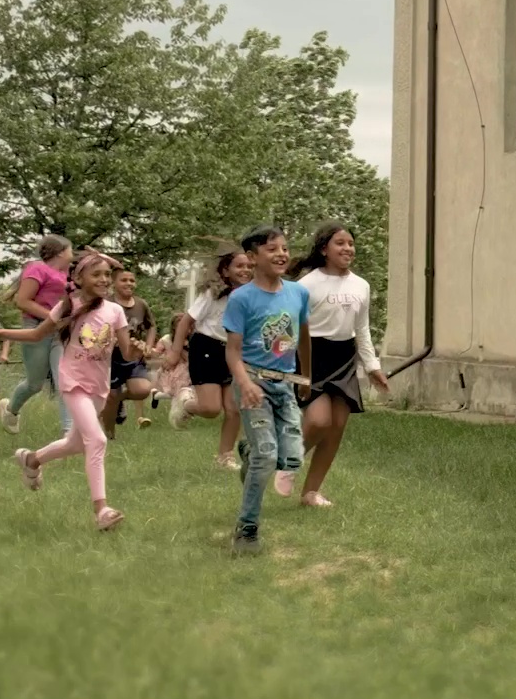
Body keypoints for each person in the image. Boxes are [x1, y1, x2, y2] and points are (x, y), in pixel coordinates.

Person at [0, 251, 140, 530]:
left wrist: (143, 348)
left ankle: (31, 459)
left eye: (106, 275)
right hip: (73, 383)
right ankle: (101, 510)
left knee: (75, 444)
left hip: (99, 387)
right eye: (96, 274)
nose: (103, 280)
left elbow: (127, 351)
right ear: (79, 278)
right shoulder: (67, 306)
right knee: (96, 440)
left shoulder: (115, 311)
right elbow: (36, 334)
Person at [290, 223, 392, 508]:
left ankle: (311, 493)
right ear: (324, 249)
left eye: (350, 243)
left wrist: (372, 367)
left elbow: (362, 329)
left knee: (336, 428)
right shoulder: (305, 285)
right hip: (311, 355)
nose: (348, 248)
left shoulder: (361, 285)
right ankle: (288, 461)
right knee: (318, 421)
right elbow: (292, 328)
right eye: (340, 243)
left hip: (344, 358)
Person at [225, 226, 311, 554]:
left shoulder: (298, 294)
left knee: (290, 459)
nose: (282, 254)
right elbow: (232, 351)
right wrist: (245, 384)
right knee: (266, 456)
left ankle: (247, 452)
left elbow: (304, 338)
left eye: (285, 248)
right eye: (272, 249)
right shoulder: (241, 298)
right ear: (252, 257)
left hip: (285, 384)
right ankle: (247, 530)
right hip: (252, 381)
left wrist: (306, 380)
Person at [167, 245, 253, 470]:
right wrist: (175, 352)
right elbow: (186, 321)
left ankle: (225, 457)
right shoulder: (213, 294)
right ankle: (186, 402)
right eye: (239, 266)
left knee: (234, 408)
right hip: (206, 348)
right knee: (211, 409)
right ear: (225, 271)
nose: (245, 270)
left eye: (249, 266)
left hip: (233, 351)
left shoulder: (252, 296)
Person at [1, 235, 75, 435]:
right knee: (35, 384)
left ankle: (68, 433)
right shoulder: (37, 268)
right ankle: (10, 409)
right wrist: (52, 317)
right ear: (60, 252)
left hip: (60, 332)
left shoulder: (66, 273)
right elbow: (23, 301)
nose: (73, 253)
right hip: (36, 327)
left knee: (64, 381)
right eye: (71, 249)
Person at [103, 267, 156, 436]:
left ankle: (119, 400)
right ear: (114, 282)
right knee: (111, 395)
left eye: (132, 280)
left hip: (134, 357)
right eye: (124, 280)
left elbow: (151, 325)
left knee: (142, 390)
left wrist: (148, 345)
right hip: (111, 357)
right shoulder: (106, 303)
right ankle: (109, 435)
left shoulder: (141, 304)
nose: (129, 283)